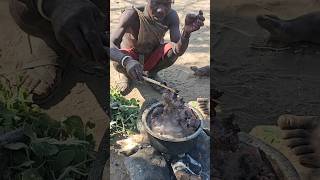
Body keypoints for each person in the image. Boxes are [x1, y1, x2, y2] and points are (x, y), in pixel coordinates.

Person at [110, 0, 205, 95]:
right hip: (130, 57)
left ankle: (152, 74)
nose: (160, 10)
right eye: (156, 2)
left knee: (172, 51)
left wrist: (186, 33)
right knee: (117, 58)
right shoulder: (131, 15)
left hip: (151, 56)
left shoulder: (171, 16)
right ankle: (127, 76)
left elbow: (177, 50)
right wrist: (126, 61)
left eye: (166, 4)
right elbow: (110, 44)